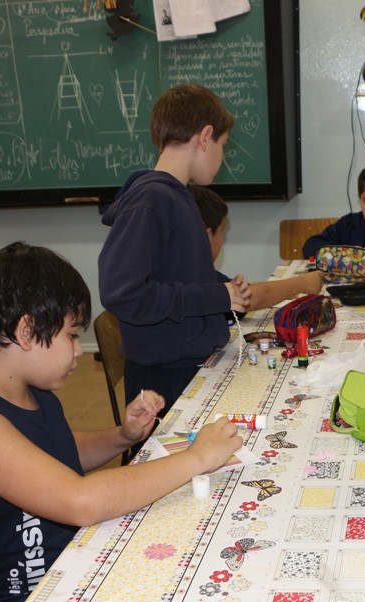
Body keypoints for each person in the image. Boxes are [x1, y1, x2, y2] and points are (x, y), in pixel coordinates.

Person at [0, 242, 243, 602]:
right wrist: (196, 458)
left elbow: (55, 453)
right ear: (26, 330)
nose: (78, 350)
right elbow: (80, 501)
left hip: (69, 576)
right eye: (71, 335)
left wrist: (122, 436)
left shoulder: (33, 394)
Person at [99, 84, 251, 413]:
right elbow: (123, 293)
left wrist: (223, 291)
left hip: (188, 365)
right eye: (223, 145)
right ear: (205, 137)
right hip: (164, 379)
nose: (222, 157)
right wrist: (213, 296)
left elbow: (175, 272)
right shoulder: (151, 200)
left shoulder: (178, 195)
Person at [192, 185, 323, 310]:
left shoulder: (197, 272)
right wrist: (304, 283)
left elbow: (250, 289)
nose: (222, 239)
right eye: (222, 231)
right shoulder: (200, 278)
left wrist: (284, 290)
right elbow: (252, 298)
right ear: (207, 236)